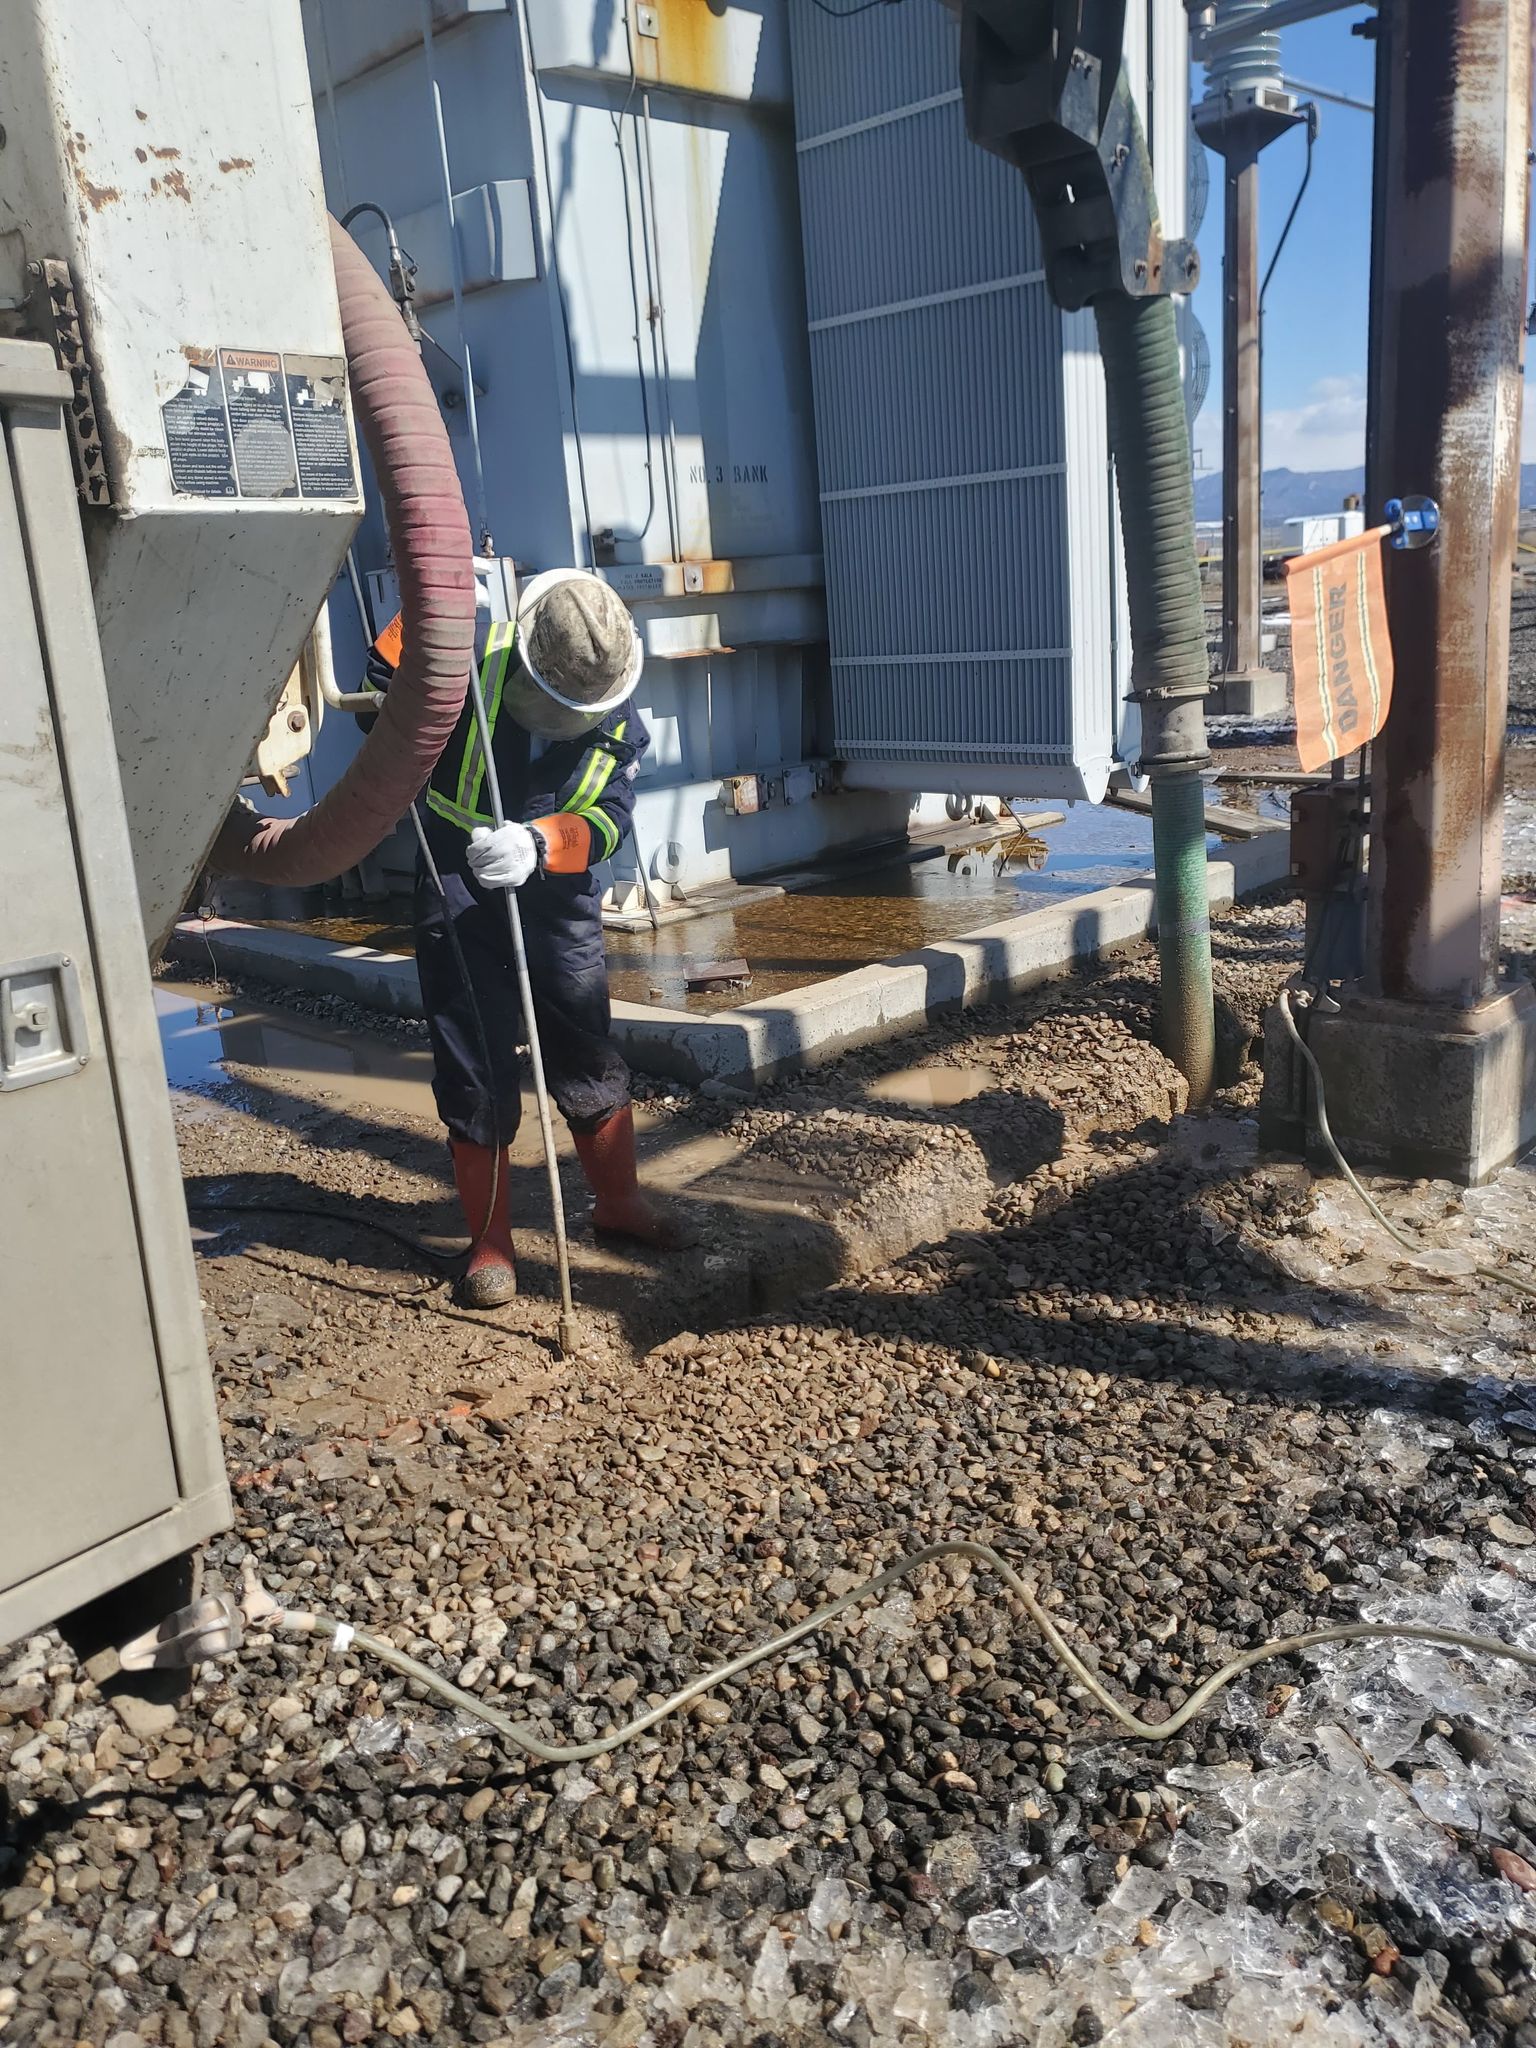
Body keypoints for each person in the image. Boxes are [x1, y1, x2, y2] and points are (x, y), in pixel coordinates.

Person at [365, 568, 696, 1308]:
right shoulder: (475, 654)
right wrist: (430, 616)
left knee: (584, 1046)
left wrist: (542, 844)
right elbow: (374, 694)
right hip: (457, 877)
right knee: (473, 1060)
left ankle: (618, 1204)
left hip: (554, 884)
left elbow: (611, 817)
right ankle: (491, 1244)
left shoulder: (611, 703)